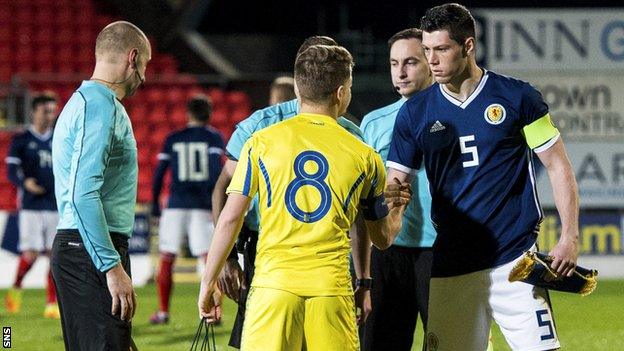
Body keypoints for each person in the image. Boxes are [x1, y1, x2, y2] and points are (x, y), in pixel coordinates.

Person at [387, 4, 579, 351]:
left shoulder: (518, 98)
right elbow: (394, 185)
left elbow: (557, 166)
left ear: (469, 46)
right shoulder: (415, 113)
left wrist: (570, 236)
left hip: (516, 263)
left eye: (442, 49)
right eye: (427, 50)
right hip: (451, 266)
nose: (432, 60)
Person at [199, 44, 410, 351]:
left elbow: (231, 217)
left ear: (298, 87)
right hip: (330, 290)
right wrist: (398, 210)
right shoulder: (364, 154)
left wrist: (209, 280)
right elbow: (382, 238)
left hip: (272, 287)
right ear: (341, 93)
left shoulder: (261, 142)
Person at [51, 21, 151, 350]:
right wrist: (111, 266)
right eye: (145, 66)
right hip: (89, 252)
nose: (145, 77)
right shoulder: (100, 106)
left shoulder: (85, 101)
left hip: (84, 249)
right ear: (132, 58)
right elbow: (83, 194)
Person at [360, 28, 436, 351]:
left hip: (439, 252)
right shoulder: (373, 123)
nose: (400, 72)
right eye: (394, 63)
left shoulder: (456, 116)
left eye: (410, 62)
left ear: (431, 63)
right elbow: (364, 196)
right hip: (387, 253)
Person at [149, 95, 224, 324]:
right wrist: (216, 202)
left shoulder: (174, 138)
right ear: (209, 114)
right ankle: (214, 312)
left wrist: (154, 203)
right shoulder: (214, 138)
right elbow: (215, 172)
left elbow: (160, 172)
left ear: (188, 114)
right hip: (202, 206)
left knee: (167, 257)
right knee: (208, 258)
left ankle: (163, 312)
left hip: (176, 205)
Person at [5, 93, 60, 319]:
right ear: (33, 112)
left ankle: (51, 304)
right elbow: (11, 172)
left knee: (54, 255)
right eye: (46, 111)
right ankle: (16, 287)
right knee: (31, 254)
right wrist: (24, 183)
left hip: (55, 205)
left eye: (52, 111)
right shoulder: (21, 139)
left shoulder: (59, 138)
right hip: (30, 205)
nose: (50, 115)